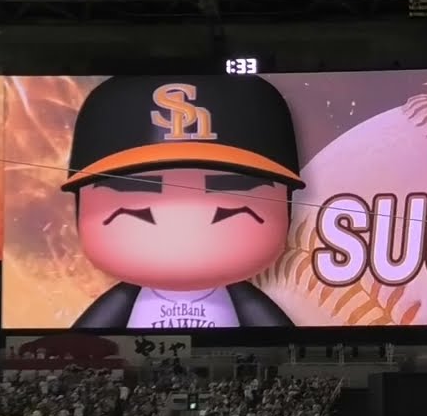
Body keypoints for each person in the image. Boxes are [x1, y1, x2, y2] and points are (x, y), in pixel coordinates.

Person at [63, 75, 304, 329]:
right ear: (80, 207)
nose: (183, 230)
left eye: (226, 201)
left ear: (287, 205)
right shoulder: (123, 298)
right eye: (139, 200)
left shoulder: (244, 299)